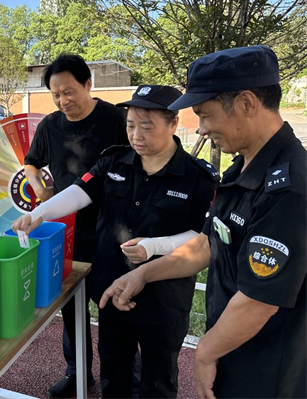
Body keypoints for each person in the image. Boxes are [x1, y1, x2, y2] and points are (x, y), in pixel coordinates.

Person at [101, 46, 307, 399]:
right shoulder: (243, 167)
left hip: (267, 369)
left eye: (205, 115)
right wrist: (143, 274)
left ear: (246, 103)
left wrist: (205, 353)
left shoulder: (289, 190)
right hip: (233, 346)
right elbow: (209, 242)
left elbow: (259, 299)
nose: (200, 129)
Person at [15, 85, 219, 399]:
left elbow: (201, 236)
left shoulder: (198, 177)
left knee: (158, 380)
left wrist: (155, 247)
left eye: (146, 127)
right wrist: (38, 214)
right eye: (130, 125)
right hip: (111, 289)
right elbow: (80, 192)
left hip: (163, 299)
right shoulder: (114, 161)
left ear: (173, 124)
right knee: (113, 373)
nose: (136, 135)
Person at [23, 53, 128, 397]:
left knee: (114, 306)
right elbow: (31, 164)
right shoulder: (50, 126)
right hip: (68, 231)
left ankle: (123, 376)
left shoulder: (117, 120)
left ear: (88, 84)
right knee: (71, 306)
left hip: (113, 230)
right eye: (56, 95)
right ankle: (78, 372)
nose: (63, 101)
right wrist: (42, 191)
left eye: (69, 92)